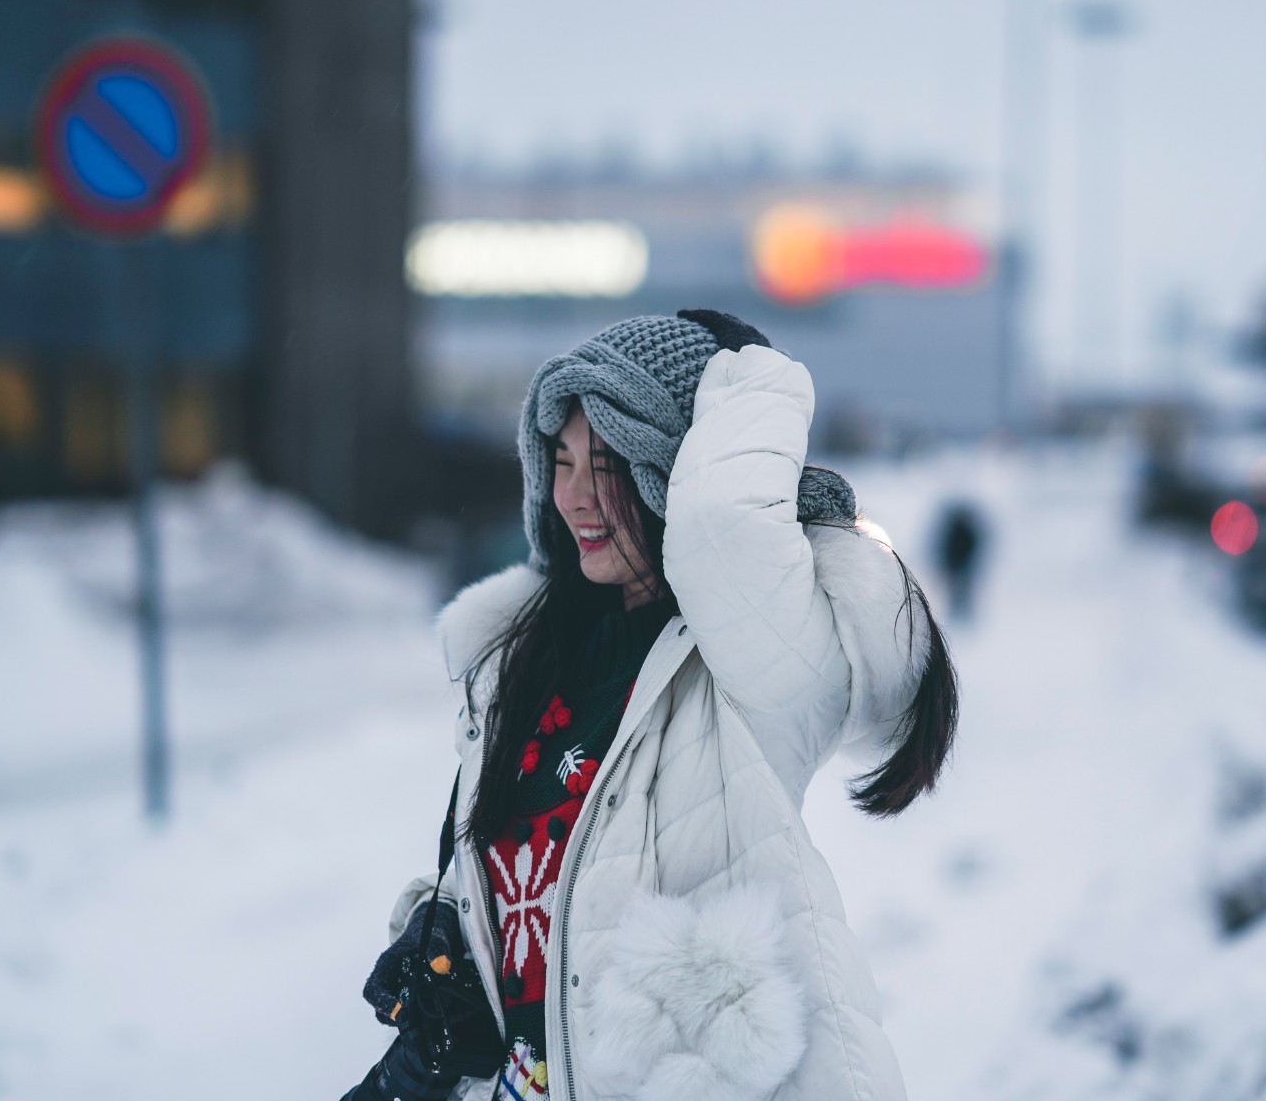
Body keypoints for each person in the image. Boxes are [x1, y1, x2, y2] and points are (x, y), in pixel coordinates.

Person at [352, 310, 959, 1101]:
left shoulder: (746, 667)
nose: (573, 496)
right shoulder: (521, 668)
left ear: (672, 466)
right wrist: (440, 929)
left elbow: (722, 528)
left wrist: (747, 374)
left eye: (605, 461)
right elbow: (547, 879)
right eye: (560, 460)